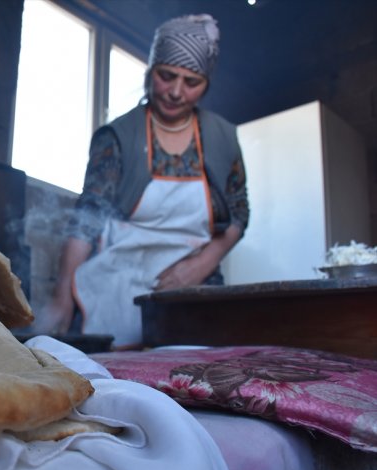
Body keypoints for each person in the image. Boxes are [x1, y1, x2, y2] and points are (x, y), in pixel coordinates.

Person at [34, 14, 250, 349]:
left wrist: (200, 266)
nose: (176, 92)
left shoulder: (222, 138)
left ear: (207, 84)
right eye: (167, 76)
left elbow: (239, 214)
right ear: (151, 71)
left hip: (194, 288)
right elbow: (87, 219)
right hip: (117, 280)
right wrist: (62, 297)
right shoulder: (119, 137)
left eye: (191, 82)